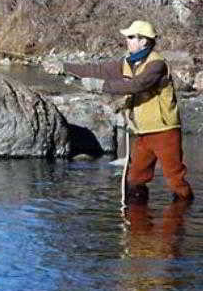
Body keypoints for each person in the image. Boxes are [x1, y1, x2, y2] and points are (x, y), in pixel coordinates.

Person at [44, 20, 194, 203]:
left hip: (165, 131)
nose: (127, 41)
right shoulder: (127, 63)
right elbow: (96, 69)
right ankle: (139, 226)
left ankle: (181, 219)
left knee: (175, 180)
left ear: (144, 41)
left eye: (131, 37)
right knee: (135, 181)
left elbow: (137, 85)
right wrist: (63, 68)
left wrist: (101, 86)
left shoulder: (157, 65)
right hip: (143, 133)